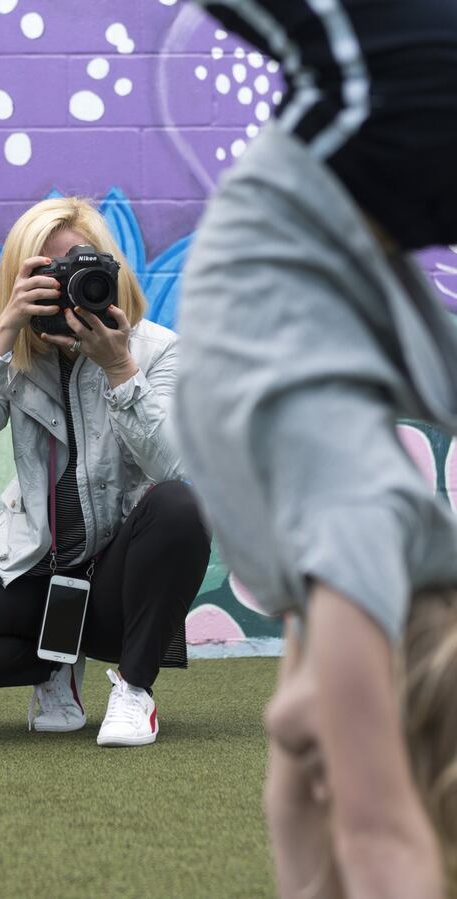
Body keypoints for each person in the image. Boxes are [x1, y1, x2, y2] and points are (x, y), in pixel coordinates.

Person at [177, 0, 457, 895]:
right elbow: (376, 839)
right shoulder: (357, 530)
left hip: (350, 213)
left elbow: (313, 803)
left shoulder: (349, 542)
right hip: (376, 131)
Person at [0, 197, 211, 747]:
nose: (67, 285)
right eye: (48, 272)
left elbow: (174, 465)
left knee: (184, 505)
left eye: (81, 268)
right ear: (21, 278)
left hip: (116, 577)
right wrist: (6, 327)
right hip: (36, 565)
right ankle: (51, 664)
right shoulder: (14, 351)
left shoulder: (156, 351)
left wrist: (118, 368)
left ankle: (134, 690)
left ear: (109, 271)